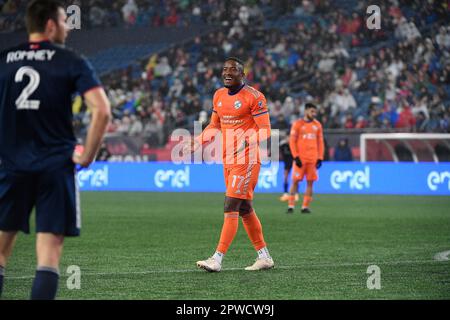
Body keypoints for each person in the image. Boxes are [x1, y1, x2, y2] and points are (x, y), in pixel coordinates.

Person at [0, 0, 111, 299]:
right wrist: (87, 155)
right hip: (55, 166)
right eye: (65, 21)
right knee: (48, 257)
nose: (68, 28)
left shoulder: (4, 59)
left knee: (0, 253)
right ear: (50, 24)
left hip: (10, 166)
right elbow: (101, 111)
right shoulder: (70, 60)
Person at [184, 57, 274, 272]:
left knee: (230, 205)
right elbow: (214, 125)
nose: (227, 73)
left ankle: (217, 259)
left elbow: (265, 130)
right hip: (228, 159)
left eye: (232, 70)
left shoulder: (254, 97)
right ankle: (265, 257)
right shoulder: (218, 95)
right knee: (244, 208)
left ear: (242, 74)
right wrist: (198, 142)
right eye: (224, 69)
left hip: (247, 159)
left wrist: (246, 141)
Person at [286, 103, 324, 214]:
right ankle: (291, 206)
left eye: (315, 112)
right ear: (306, 111)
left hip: (312, 159)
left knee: (310, 182)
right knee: (295, 181)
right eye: (312, 111)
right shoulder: (297, 124)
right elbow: (292, 142)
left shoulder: (317, 125)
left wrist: (320, 157)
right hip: (300, 159)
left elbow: (320, 143)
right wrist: (295, 156)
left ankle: (305, 207)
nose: (314, 114)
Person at [278, 131, 298, 202]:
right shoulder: (283, 145)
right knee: (286, 178)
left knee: (295, 179)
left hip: (295, 164)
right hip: (286, 163)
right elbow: (280, 153)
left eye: (290, 137)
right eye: (288, 137)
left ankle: (295, 194)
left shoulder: (294, 144)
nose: (288, 138)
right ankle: (285, 193)